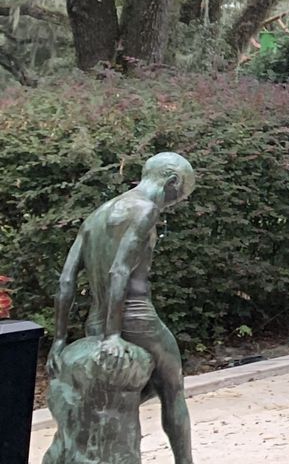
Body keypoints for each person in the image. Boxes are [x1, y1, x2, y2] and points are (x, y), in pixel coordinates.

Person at [49, 151, 198, 464]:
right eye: (179, 194)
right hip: (135, 319)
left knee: (144, 385)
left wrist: (59, 341)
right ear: (172, 182)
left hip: (94, 321)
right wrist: (113, 335)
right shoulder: (145, 209)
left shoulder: (96, 215)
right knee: (173, 387)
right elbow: (119, 271)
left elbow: (65, 281)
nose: (175, 201)